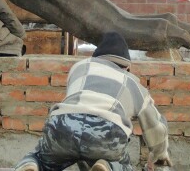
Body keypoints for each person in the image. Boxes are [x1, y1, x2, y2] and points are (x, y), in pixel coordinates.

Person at [14, 32, 170, 171]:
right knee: (122, 166)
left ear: (96, 57)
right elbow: (155, 128)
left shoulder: (79, 67)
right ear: (127, 67)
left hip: (63, 124)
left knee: (41, 157)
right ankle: (108, 166)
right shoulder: (134, 84)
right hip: (106, 131)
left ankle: (33, 165)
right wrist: (160, 154)